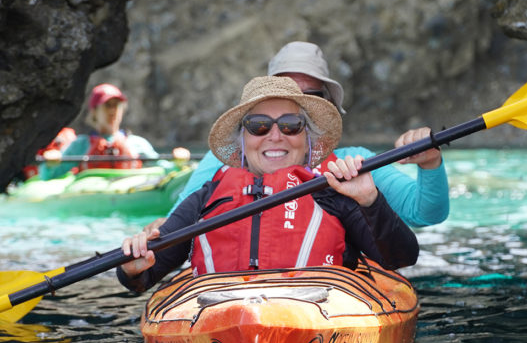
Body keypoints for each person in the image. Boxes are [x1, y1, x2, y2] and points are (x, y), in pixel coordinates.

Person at [117, 76, 419, 293]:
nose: (275, 136)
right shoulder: (205, 199)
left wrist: (370, 200)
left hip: (312, 319)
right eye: (259, 126)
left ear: (306, 140)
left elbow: (401, 258)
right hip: (222, 321)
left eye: (290, 125)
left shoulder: (332, 193)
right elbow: (145, 276)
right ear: (243, 140)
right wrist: (131, 267)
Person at [146, 41, 449, 233]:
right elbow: (176, 222)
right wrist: (155, 236)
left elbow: (425, 213)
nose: (296, 105)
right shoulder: (223, 164)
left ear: (325, 106)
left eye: (310, 96)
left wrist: (430, 163)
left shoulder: (354, 163)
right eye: (284, 93)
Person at [39, 83, 190, 180]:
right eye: (107, 105)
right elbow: (47, 176)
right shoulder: (81, 144)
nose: (112, 111)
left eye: (116, 105)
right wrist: (50, 164)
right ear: (94, 112)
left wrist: (179, 162)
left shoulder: (137, 143)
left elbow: (162, 167)